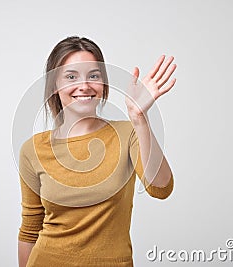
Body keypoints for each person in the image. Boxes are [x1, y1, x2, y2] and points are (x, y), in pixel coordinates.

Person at [17, 36, 177, 267]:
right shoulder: (32, 149)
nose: (84, 85)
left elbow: (161, 188)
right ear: (54, 85)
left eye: (93, 76)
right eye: (71, 76)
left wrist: (139, 119)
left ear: (103, 84)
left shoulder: (127, 133)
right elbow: (30, 230)